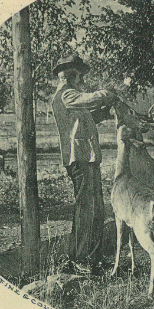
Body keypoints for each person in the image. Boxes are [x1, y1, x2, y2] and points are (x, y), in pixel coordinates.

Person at [51, 53, 119, 274]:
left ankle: (93, 257)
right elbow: (89, 99)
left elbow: (85, 118)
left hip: (87, 158)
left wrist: (102, 111)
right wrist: (107, 94)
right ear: (70, 76)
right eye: (80, 76)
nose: (83, 80)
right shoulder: (65, 95)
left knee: (95, 209)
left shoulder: (72, 98)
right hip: (79, 159)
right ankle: (82, 259)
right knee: (86, 210)